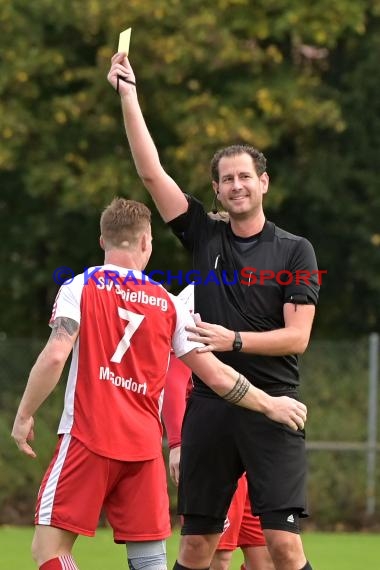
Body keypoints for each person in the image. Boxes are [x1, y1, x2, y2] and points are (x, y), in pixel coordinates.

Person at [107, 53, 320, 570]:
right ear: (217, 189)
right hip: (211, 408)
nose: (236, 185)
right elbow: (150, 172)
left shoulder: (296, 251)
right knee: (197, 547)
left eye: (245, 176)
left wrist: (234, 340)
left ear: (263, 182)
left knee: (285, 547)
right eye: (226, 179)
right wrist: (129, 95)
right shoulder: (205, 234)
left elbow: (297, 338)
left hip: (274, 405)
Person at [11, 198, 307, 570]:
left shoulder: (79, 286)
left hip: (89, 437)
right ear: (147, 243)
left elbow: (56, 355)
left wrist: (24, 415)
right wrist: (271, 403)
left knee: (50, 550)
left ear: (102, 241)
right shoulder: (168, 303)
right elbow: (215, 375)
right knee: (149, 561)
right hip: (145, 450)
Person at [163, 284, 274, 570]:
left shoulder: (263, 290)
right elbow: (175, 378)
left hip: (254, 445)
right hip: (216, 442)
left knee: (267, 556)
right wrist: (176, 444)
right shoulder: (197, 295)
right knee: (216, 554)